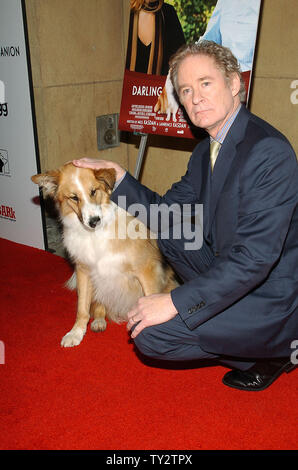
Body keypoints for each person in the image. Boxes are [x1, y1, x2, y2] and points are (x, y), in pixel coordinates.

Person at [73, 41, 298, 391]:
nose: (195, 98)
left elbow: (255, 259)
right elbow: (165, 213)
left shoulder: (268, 151)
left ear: (235, 84)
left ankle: (272, 350)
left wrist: (175, 302)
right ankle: (231, 327)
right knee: (168, 227)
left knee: (150, 336)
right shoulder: (204, 151)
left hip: (271, 296)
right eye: (186, 90)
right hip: (232, 271)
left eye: (205, 83)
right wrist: (119, 179)